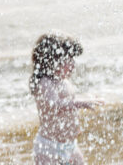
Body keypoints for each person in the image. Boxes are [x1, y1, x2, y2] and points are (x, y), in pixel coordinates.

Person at [30, 33, 103, 165]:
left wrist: (87, 98)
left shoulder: (64, 82)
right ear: (52, 60)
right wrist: (79, 103)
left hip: (71, 145)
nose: (73, 65)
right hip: (49, 148)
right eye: (69, 60)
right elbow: (53, 105)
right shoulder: (45, 83)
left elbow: (69, 103)